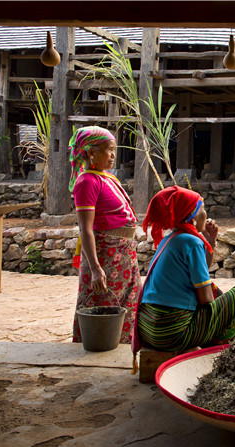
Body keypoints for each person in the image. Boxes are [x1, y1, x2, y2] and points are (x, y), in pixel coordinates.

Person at [133, 186, 235, 356]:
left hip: (150, 329)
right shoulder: (191, 242)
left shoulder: (171, 239)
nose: (206, 214)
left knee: (213, 288)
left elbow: (202, 273)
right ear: (192, 217)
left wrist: (210, 241)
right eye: (202, 209)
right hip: (172, 333)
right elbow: (205, 299)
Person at [70, 126, 140, 344]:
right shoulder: (87, 182)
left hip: (124, 253)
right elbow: (86, 228)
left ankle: (121, 344)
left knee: (128, 301)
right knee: (101, 301)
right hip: (106, 255)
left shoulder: (107, 178)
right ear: (91, 153)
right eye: (108, 150)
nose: (113, 155)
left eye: (114, 150)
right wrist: (95, 268)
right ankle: (96, 344)